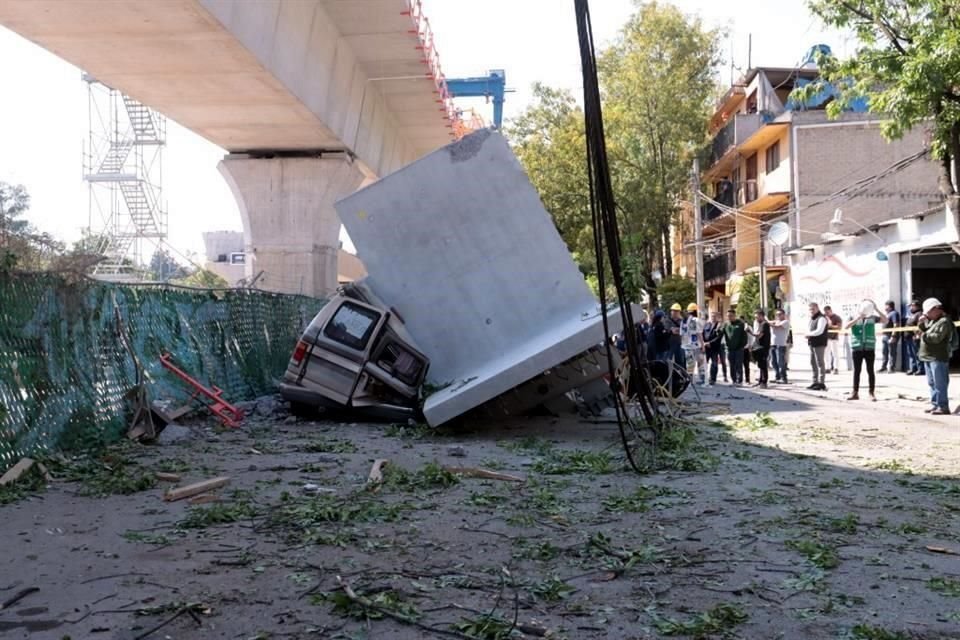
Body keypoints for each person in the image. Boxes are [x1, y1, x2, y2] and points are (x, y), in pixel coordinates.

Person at [917, 297, 956, 415]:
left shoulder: (944, 321)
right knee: (932, 383)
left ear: (936, 309)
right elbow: (927, 329)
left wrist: (923, 336)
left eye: (929, 312)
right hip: (928, 356)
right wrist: (921, 323)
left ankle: (943, 406)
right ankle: (935, 404)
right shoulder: (934, 320)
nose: (928, 315)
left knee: (940, 383)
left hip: (938, 357)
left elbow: (936, 337)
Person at [845, 300, 881, 401]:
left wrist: (877, 309)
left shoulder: (872, 317)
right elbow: (846, 326)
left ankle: (871, 393)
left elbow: (885, 320)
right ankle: (855, 393)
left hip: (869, 348)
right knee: (857, 371)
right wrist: (857, 318)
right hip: (857, 347)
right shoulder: (853, 316)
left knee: (870, 371)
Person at [681, 303, 706, 385]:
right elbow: (699, 334)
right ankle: (701, 379)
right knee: (700, 362)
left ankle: (690, 379)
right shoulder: (696, 320)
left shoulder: (683, 321)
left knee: (690, 363)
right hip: (696, 345)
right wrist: (703, 345)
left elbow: (681, 334)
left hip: (687, 346)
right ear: (695, 311)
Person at [747, 308, 771, 388]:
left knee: (763, 365)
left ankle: (764, 382)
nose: (756, 318)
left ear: (762, 316)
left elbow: (759, 335)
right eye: (755, 317)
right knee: (760, 365)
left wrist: (749, 332)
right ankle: (760, 381)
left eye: (757, 317)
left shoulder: (765, 324)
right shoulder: (758, 324)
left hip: (763, 347)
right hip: (758, 347)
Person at [807, 302, 829, 390]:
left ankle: (821, 383)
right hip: (812, 343)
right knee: (813, 362)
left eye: (813, 309)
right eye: (810, 309)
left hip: (820, 343)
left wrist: (809, 334)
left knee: (820, 362)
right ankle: (815, 382)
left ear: (817, 308)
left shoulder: (821, 318)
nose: (811, 311)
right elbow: (809, 328)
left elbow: (819, 331)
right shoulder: (812, 318)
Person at [722, 309, 747, 386]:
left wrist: (742, 346)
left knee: (738, 365)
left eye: (731, 316)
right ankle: (734, 380)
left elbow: (744, 336)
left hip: (739, 349)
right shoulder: (726, 324)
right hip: (729, 349)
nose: (729, 317)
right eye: (728, 316)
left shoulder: (740, 324)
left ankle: (739, 381)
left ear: (734, 315)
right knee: (731, 365)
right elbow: (720, 333)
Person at [703, 311, 725, 386]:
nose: (713, 318)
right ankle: (704, 378)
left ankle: (713, 379)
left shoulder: (719, 326)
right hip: (706, 348)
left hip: (714, 348)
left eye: (715, 316)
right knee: (704, 364)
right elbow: (703, 334)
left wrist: (710, 343)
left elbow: (719, 337)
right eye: (712, 316)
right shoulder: (706, 324)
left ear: (717, 317)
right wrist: (704, 343)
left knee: (714, 364)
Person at [904, 299, 925, 376]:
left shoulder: (919, 314)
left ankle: (921, 369)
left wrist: (917, 334)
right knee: (911, 354)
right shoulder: (911, 315)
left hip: (914, 337)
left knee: (917, 353)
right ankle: (913, 368)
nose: (910, 308)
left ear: (917, 306)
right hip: (909, 337)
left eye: (912, 306)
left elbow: (920, 325)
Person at [879, 300, 901, 373]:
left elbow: (896, 325)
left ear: (890, 306)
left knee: (892, 352)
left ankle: (892, 368)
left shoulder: (894, 313)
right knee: (884, 352)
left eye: (886, 306)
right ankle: (884, 367)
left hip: (890, 336)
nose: (885, 307)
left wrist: (893, 336)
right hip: (885, 335)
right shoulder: (887, 314)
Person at [770, 308, 790, 383]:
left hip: (781, 344)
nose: (778, 316)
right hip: (773, 344)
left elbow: (777, 327)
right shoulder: (776, 321)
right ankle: (777, 376)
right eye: (777, 314)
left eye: (780, 314)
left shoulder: (785, 322)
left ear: (783, 315)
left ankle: (783, 377)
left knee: (780, 362)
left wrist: (768, 322)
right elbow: (772, 323)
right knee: (773, 361)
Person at [823, 305, 843, 374]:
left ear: (831, 310)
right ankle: (827, 368)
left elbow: (839, 327)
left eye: (827, 312)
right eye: (825, 313)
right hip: (826, 338)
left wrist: (831, 326)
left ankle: (836, 368)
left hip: (834, 338)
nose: (827, 314)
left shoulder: (837, 317)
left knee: (835, 353)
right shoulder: (824, 317)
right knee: (826, 353)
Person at [665, 303, 685, 371]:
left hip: (679, 343)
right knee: (668, 360)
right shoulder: (667, 320)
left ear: (679, 312)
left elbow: (683, 331)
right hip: (669, 343)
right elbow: (668, 329)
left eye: (676, 311)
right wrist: (675, 330)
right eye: (673, 311)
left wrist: (676, 330)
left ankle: (680, 374)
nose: (675, 312)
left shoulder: (682, 321)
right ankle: (668, 373)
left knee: (680, 360)